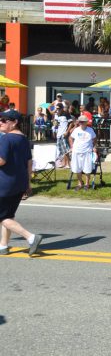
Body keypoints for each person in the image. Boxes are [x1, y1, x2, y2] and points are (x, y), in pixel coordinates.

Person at [0, 110, 44, 257]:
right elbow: (29, 162)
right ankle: (3, 246)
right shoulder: (24, 139)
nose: (1, 122)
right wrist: (28, 183)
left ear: (14, 122)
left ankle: (31, 237)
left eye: (4, 120)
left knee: (3, 217)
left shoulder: (6, 139)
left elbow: (2, 161)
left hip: (5, 184)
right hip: (19, 183)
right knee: (8, 216)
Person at [69, 115, 97, 191]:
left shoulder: (90, 130)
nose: (80, 123)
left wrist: (93, 147)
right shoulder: (76, 130)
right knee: (77, 168)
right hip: (77, 151)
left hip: (87, 152)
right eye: (79, 121)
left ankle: (87, 184)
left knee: (87, 169)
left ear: (86, 122)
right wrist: (72, 147)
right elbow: (70, 138)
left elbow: (94, 139)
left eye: (82, 121)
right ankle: (80, 183)